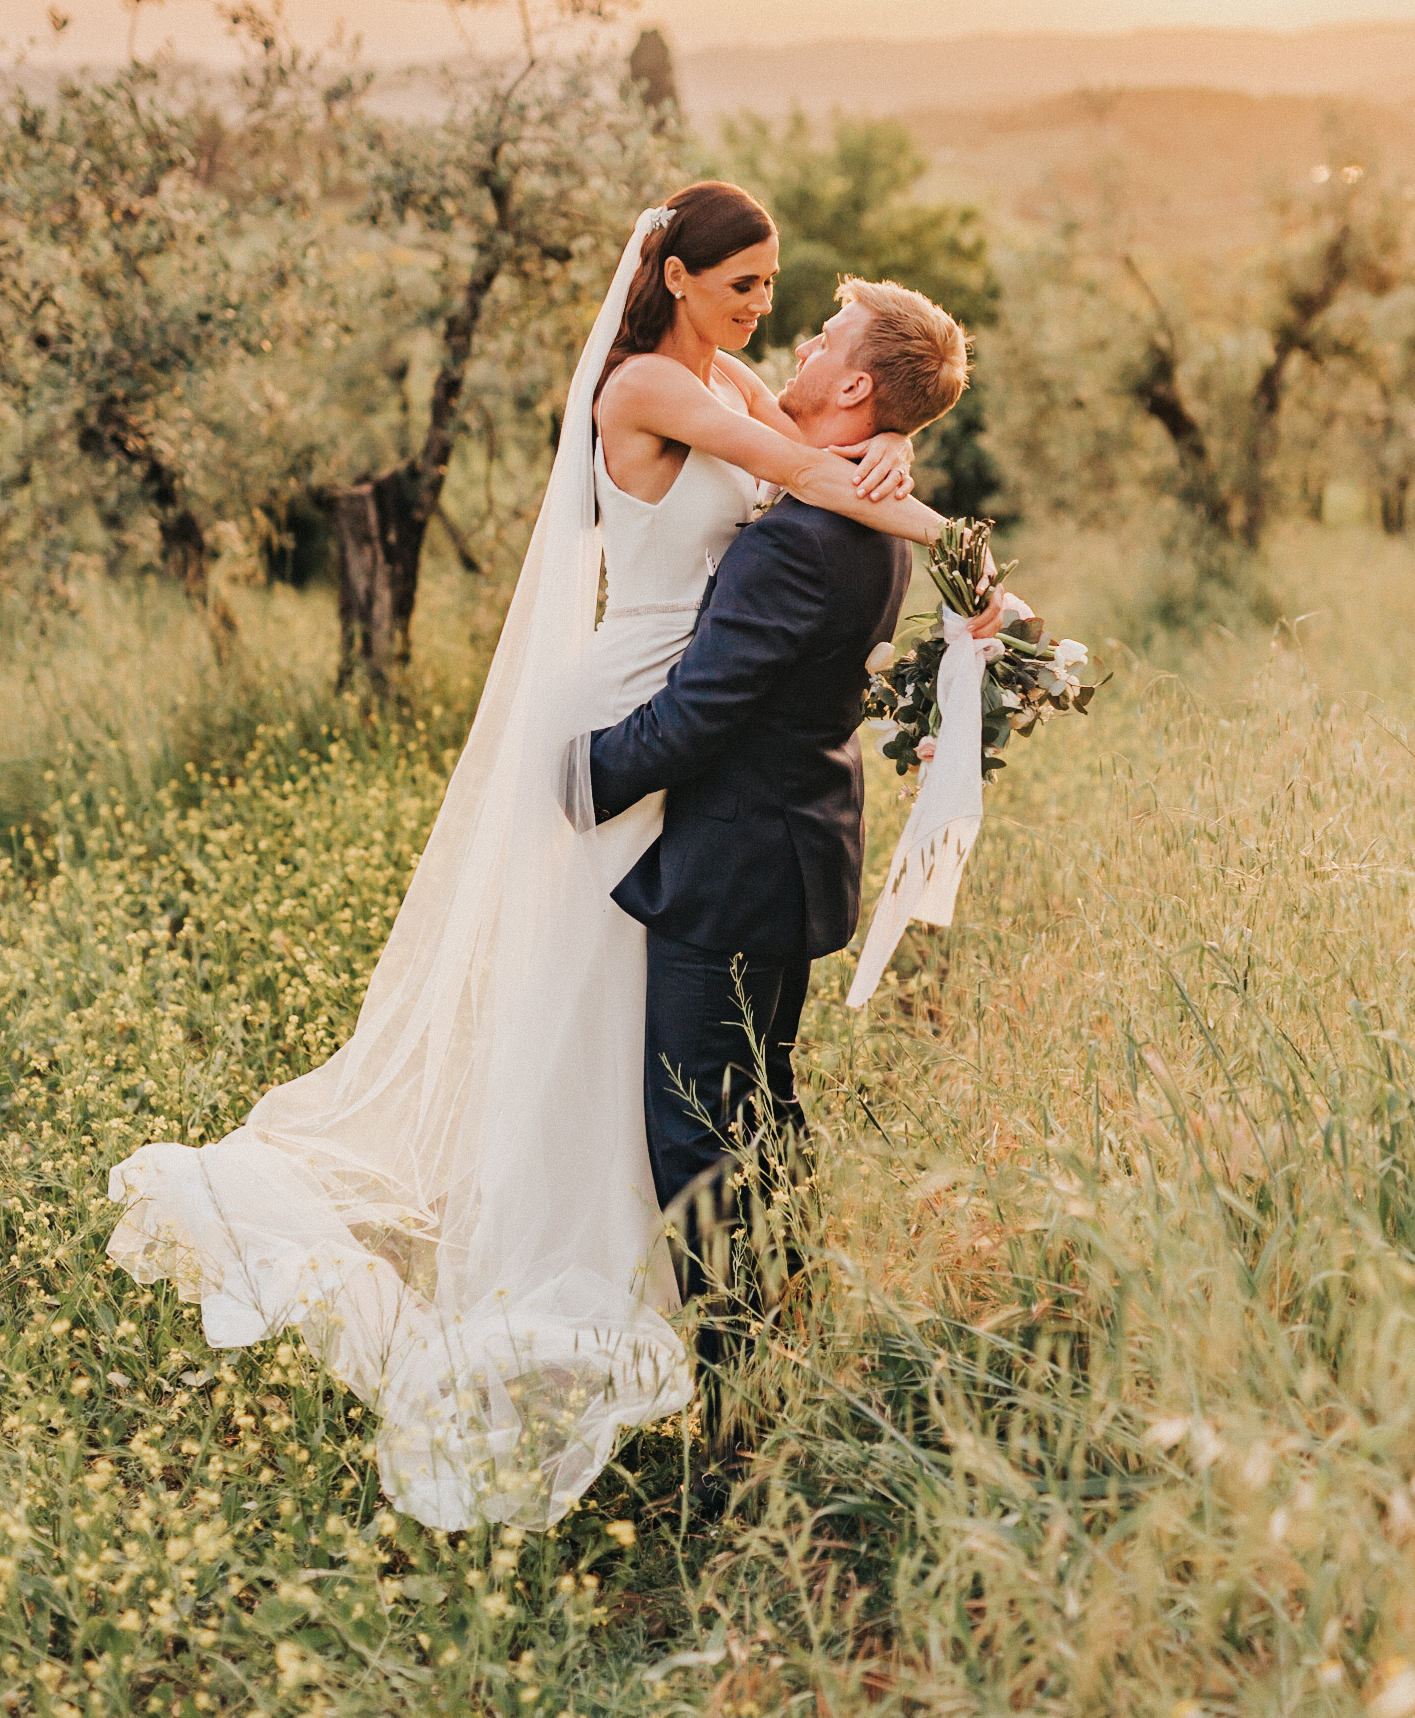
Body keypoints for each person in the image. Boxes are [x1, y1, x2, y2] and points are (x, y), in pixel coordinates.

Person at [107, 183, 989, 1532]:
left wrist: (893, 465)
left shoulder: (738, 381)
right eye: (746, 286)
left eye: (787, 302)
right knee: (611, 1021)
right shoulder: (647, 380)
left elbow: (822, 448)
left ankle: (670, 1310)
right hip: (626, 725)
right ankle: (584, 1283)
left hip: (682, 748)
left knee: (637, 1038)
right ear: (678, 276)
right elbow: (814, 465)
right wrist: (957, 553)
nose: (769, 314)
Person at [589, 256, 971, 1464]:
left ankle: (741, 1422)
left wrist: (564, 784)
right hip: (794, 850)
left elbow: (697, 718)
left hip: (736, 862)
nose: (796, 344)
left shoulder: (804, 538)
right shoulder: (848, 511)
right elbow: (734, 379)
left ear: (854, 386)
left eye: (821, 337)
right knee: (763, 1117)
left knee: (700, 1138)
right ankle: (781, 1354)